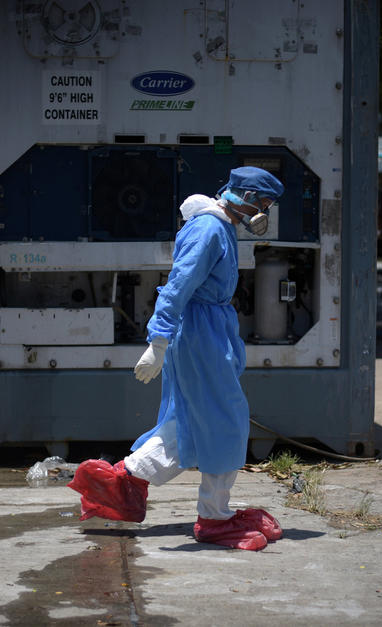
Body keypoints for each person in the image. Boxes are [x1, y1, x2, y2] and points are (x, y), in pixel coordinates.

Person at [68, 166, 285, 551]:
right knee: (226, 423)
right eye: (264, 202)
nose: (265, 211)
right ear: (247, 197)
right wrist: (159, 340)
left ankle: (121, 481)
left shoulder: (220, 226)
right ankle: (214, 518)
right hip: (199, 334)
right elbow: (178, 285)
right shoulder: (210, 230)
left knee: (189, 421)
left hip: (206, 331)